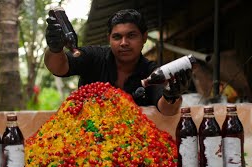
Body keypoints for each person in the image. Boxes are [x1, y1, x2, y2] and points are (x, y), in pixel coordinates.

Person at [44, 9, 191, 116]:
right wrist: (55, 48)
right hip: (86, 144)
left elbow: (167, 110)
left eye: (131, 36)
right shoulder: (93, 57)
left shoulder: (152, 72)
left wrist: (172, 95)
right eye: (117, 37)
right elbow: (59, 68)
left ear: (144, 37)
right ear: (109, 38)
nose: (124, 43)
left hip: (132, 147)